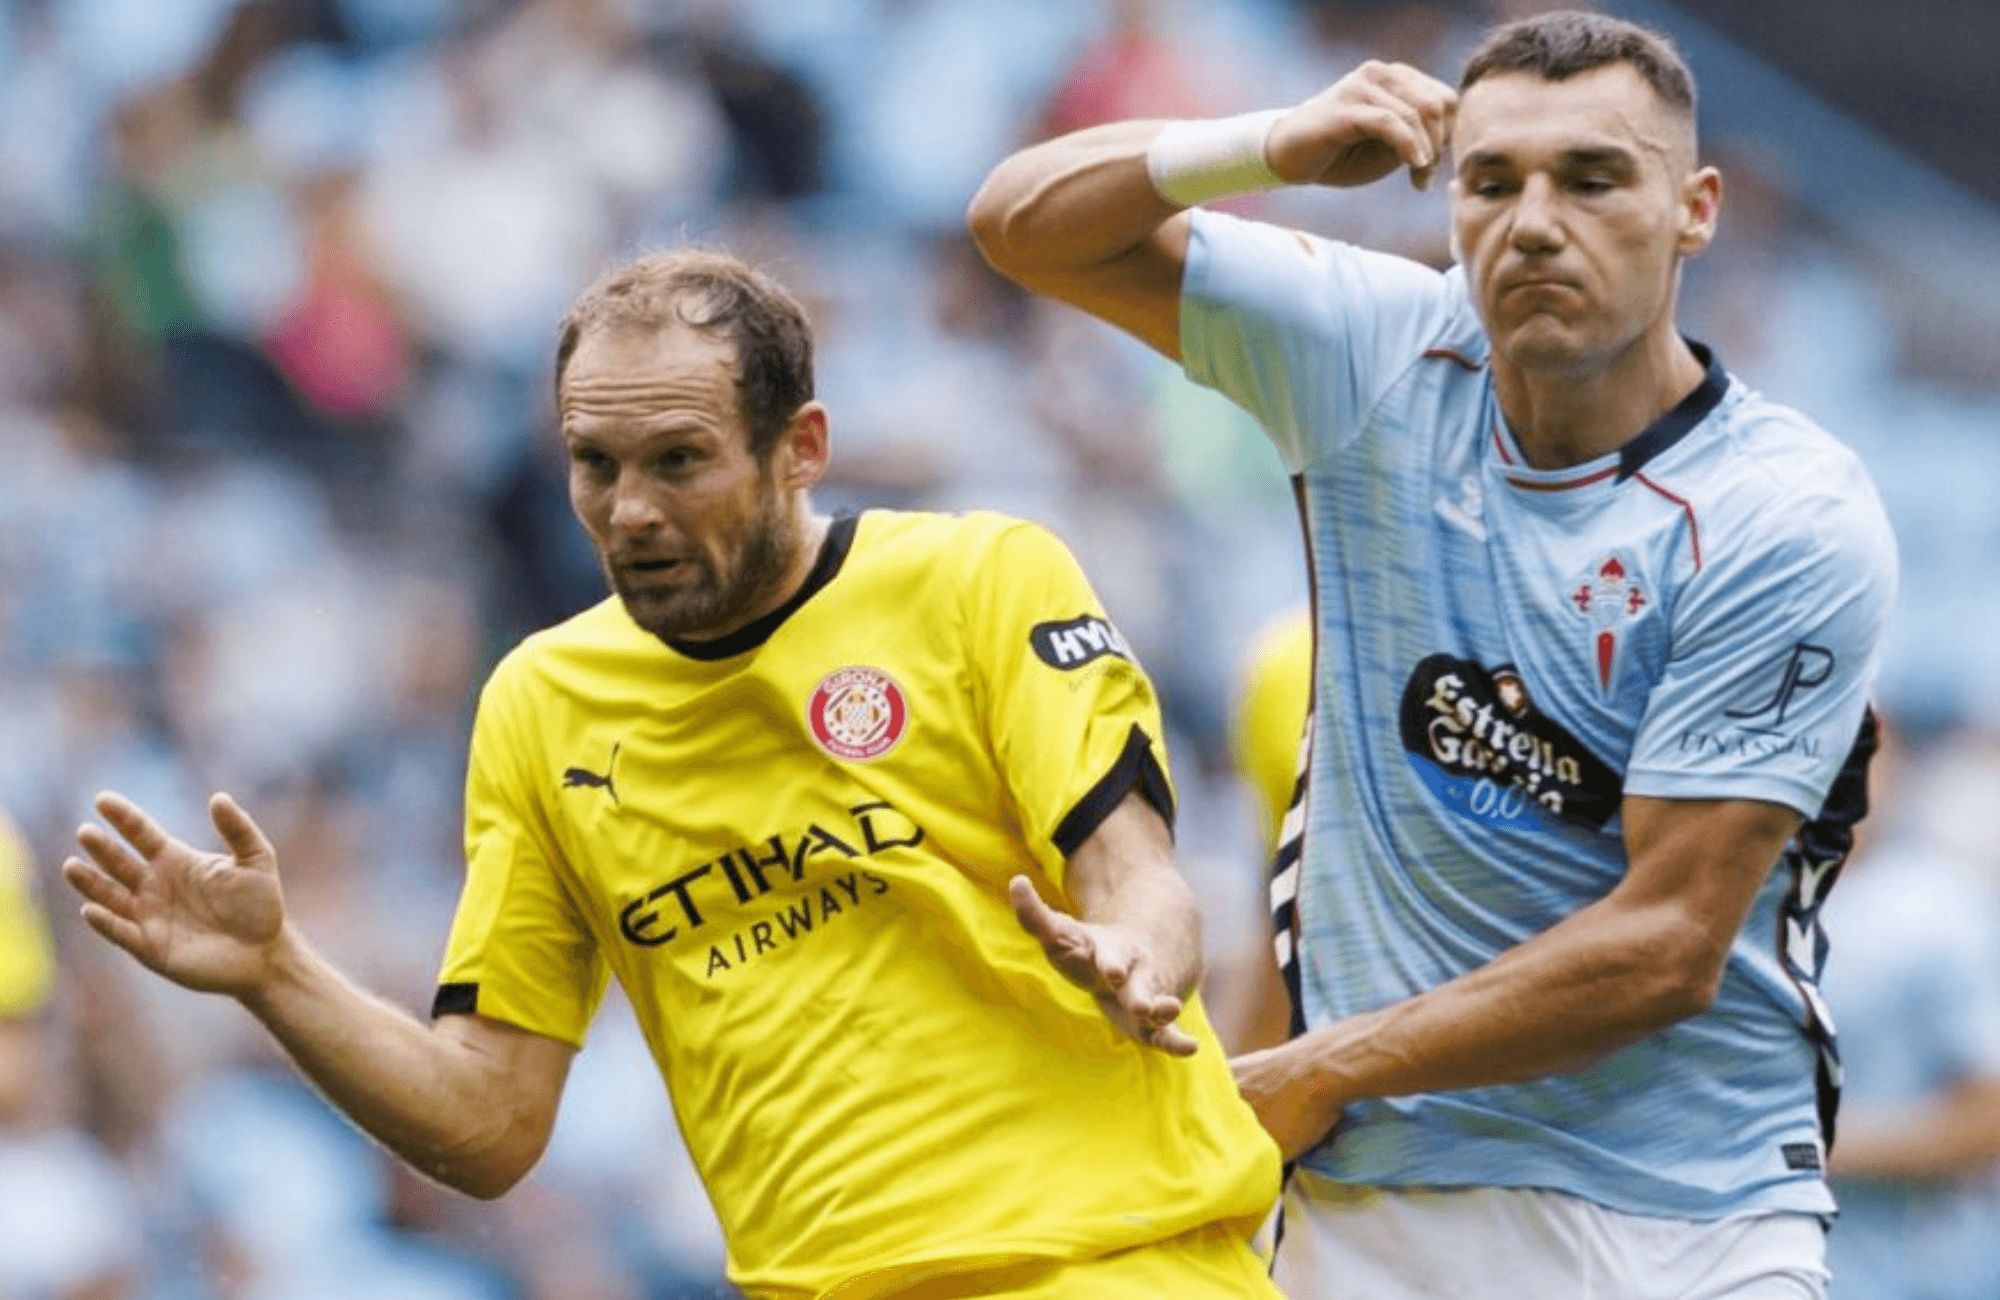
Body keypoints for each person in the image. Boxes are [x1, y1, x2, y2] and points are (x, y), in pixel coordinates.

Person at [61, 250, 1282, 1299]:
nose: (628, 511)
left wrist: (1138, 956)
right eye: (595, 463)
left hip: (1120, 1262)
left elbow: (1138, 878)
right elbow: (488, 1121)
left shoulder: (978, 580)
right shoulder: (542, 708)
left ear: (799, 447)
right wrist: (277, 973)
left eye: (678, 461)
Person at [971, 10, 1896, 1297]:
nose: (1530, 221)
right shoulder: (1371, 346)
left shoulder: (1782, 512)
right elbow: (1020, 222)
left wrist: (1315, 1069)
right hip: (1384, 1206)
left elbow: (1666, 942)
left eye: (1590, 178)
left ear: (1694, 210)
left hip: (1692, 1213)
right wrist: (1267, 144)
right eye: (1489, 178)